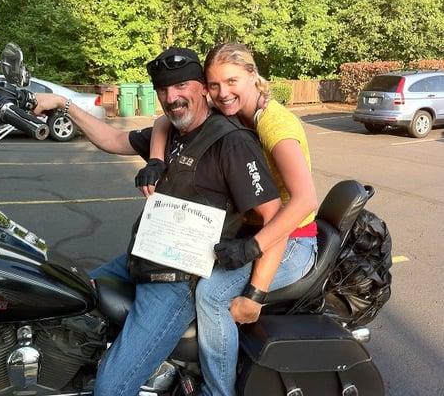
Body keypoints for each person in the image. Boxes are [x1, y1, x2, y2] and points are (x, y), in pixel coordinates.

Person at [32, 47, 284, 396]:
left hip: (176, 280)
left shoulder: (232, 143)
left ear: (203, 89)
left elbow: (275, 217)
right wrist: (63, 103)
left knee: (111, 388)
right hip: (142, 257)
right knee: (67, 299)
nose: (171, 97)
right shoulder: (173, 133)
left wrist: (255, 294)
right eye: (163, 90)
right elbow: (112, 138)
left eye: (181, 86)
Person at [135, 43, 318, 396]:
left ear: (253, 74)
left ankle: (219, 391)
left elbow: (303, 201)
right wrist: (156, 159)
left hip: (293, 240)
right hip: (258, 233)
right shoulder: (237, 113)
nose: (222, 93)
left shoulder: (275, 125)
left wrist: (254, 270)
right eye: (214, 85)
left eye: (231, 81)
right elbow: (163, 119)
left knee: (212, 295)